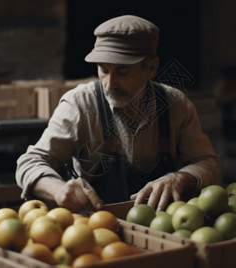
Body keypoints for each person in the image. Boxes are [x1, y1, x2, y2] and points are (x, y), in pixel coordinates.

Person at [15, 15, 222, 212]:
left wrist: (180, 178)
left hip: (163, 229)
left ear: (151, 68)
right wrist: (58, 189)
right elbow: (30, 162)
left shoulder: (177, 106)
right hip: (96, 230)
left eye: (123, 72)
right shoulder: (79, 104)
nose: (109, 84)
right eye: (103, 70)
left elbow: (209, 163)